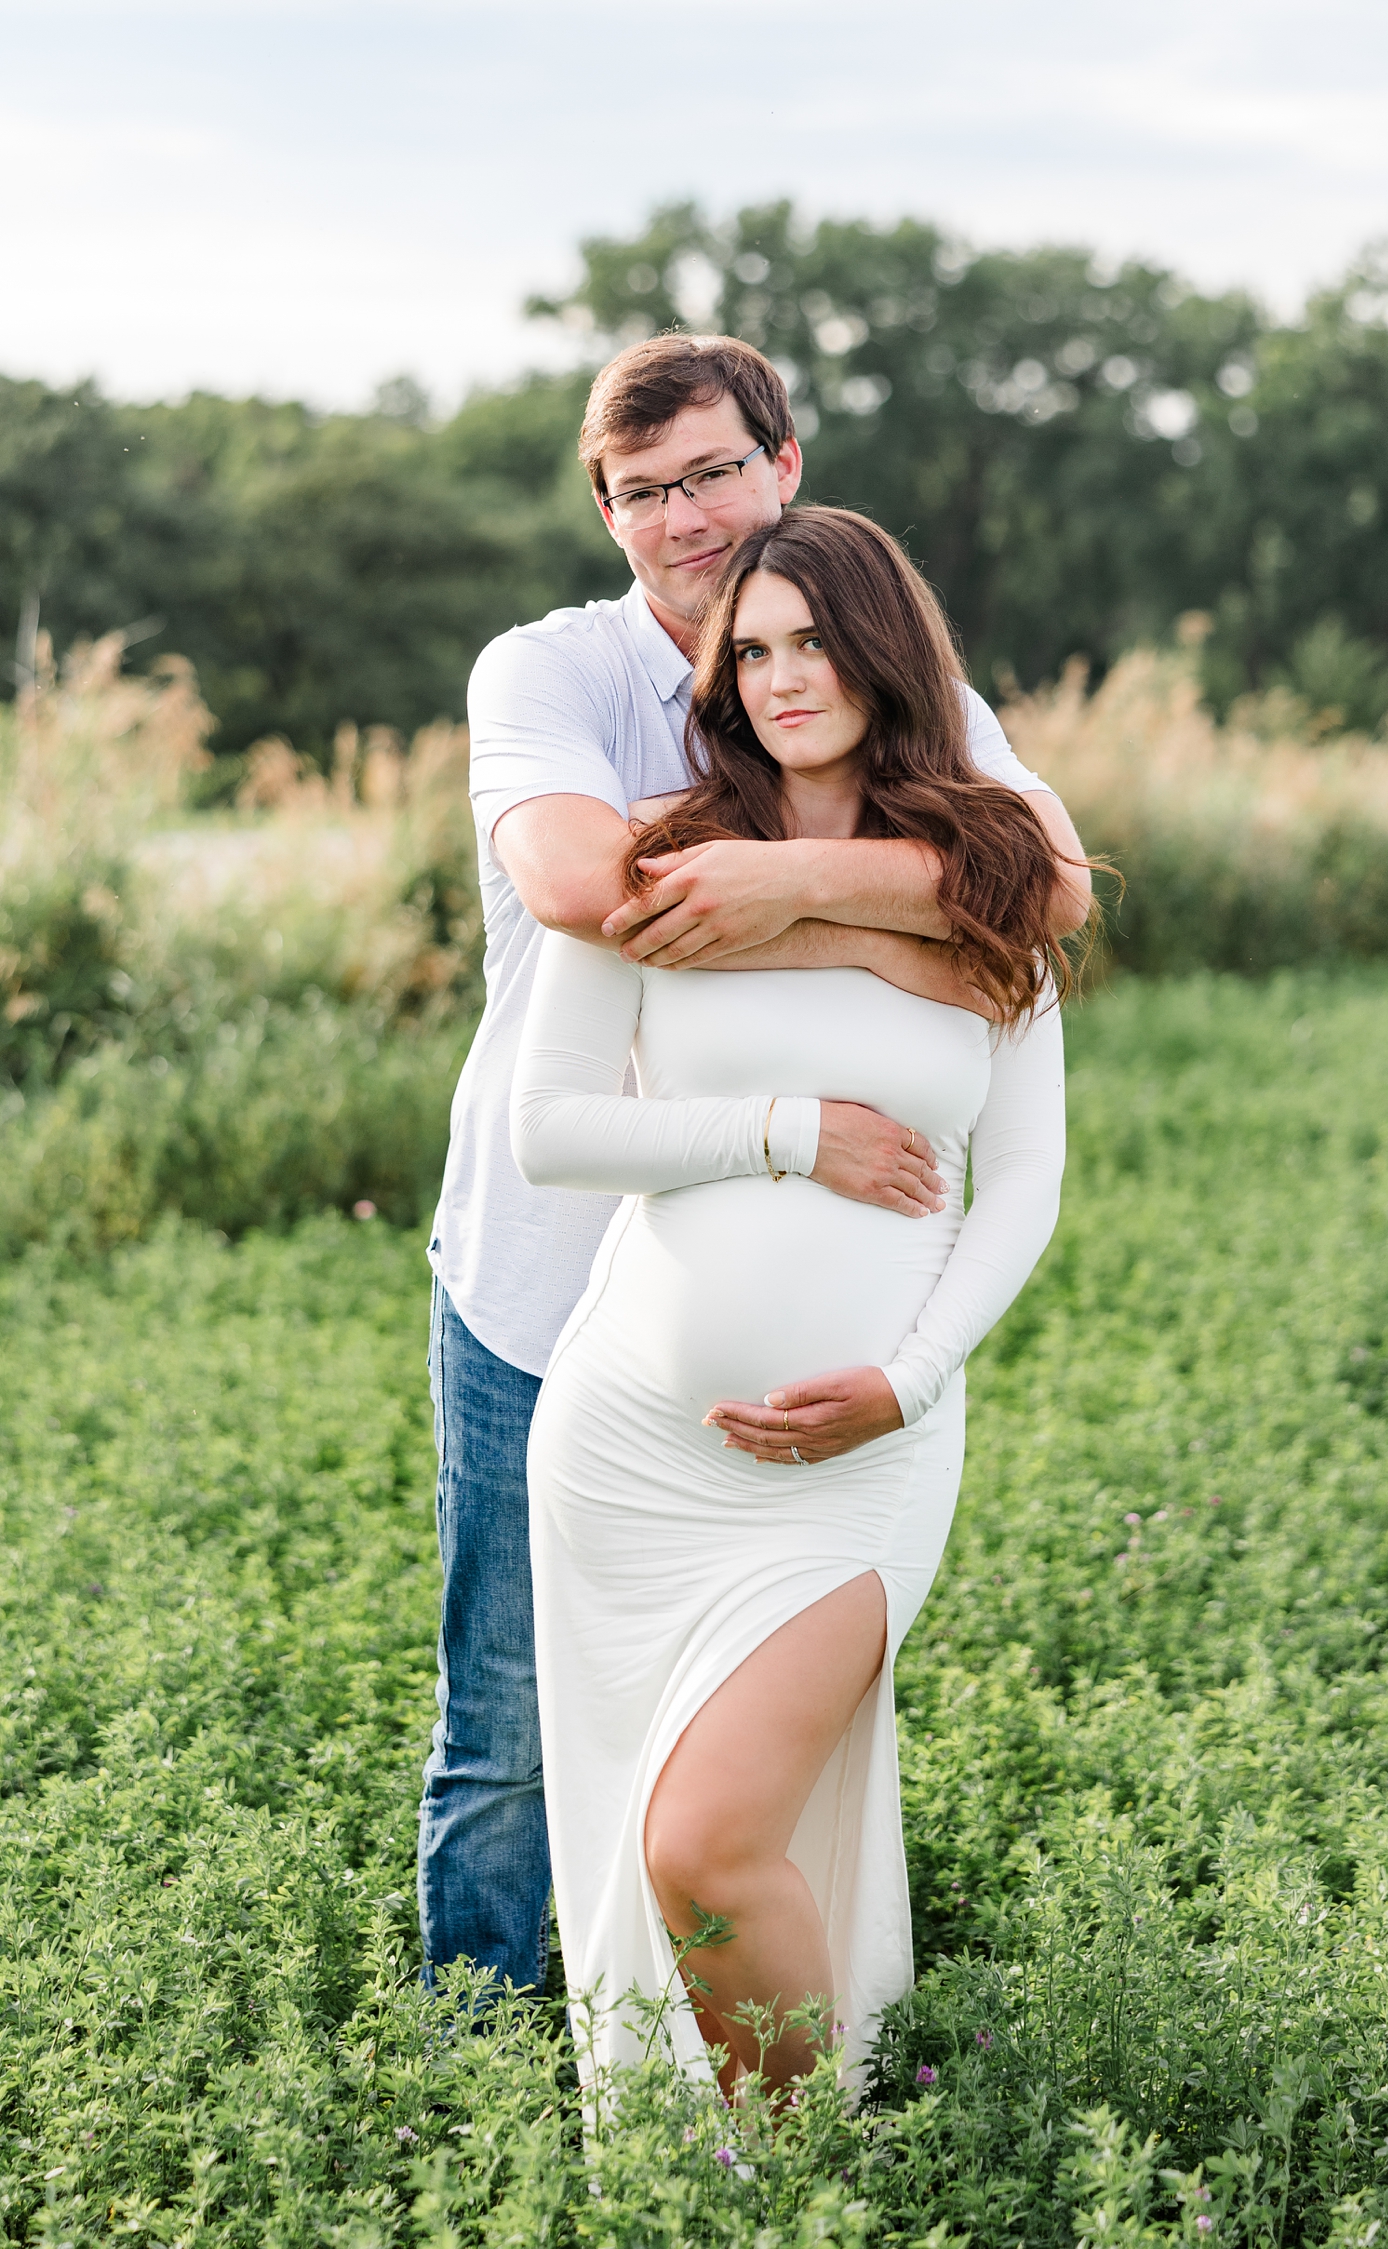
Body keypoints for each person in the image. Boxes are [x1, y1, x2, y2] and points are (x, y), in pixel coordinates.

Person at [419, 332, 1090, 1997]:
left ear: (784, 464)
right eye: (644, 491)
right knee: (509, 1734)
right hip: (546, 1280)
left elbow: (1048, 896)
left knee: (741, 1776)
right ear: (607, 514)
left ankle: (801, 2090)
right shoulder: (551, 673)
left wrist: (802, 888)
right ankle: (476, 2083)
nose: (687, 515)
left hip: (821, 1347)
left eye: (716, 470)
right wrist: (890, 909)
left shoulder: (888, 664)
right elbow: (600, 886)